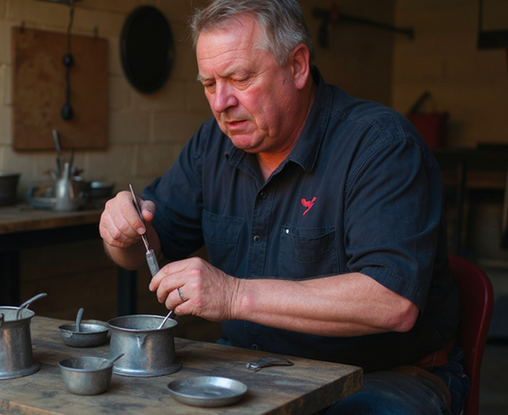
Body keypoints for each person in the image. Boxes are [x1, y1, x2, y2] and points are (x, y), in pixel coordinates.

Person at [98, 1, 469, 414]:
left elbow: (393, 302)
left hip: (384, 374)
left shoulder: (381, 145)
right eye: (209, 84)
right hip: (251, 363)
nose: (221, 102)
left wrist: (234, 294)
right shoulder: (212, 146)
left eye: (240, 78)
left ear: (297, 66)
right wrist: (121, 232)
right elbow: (141, 248)